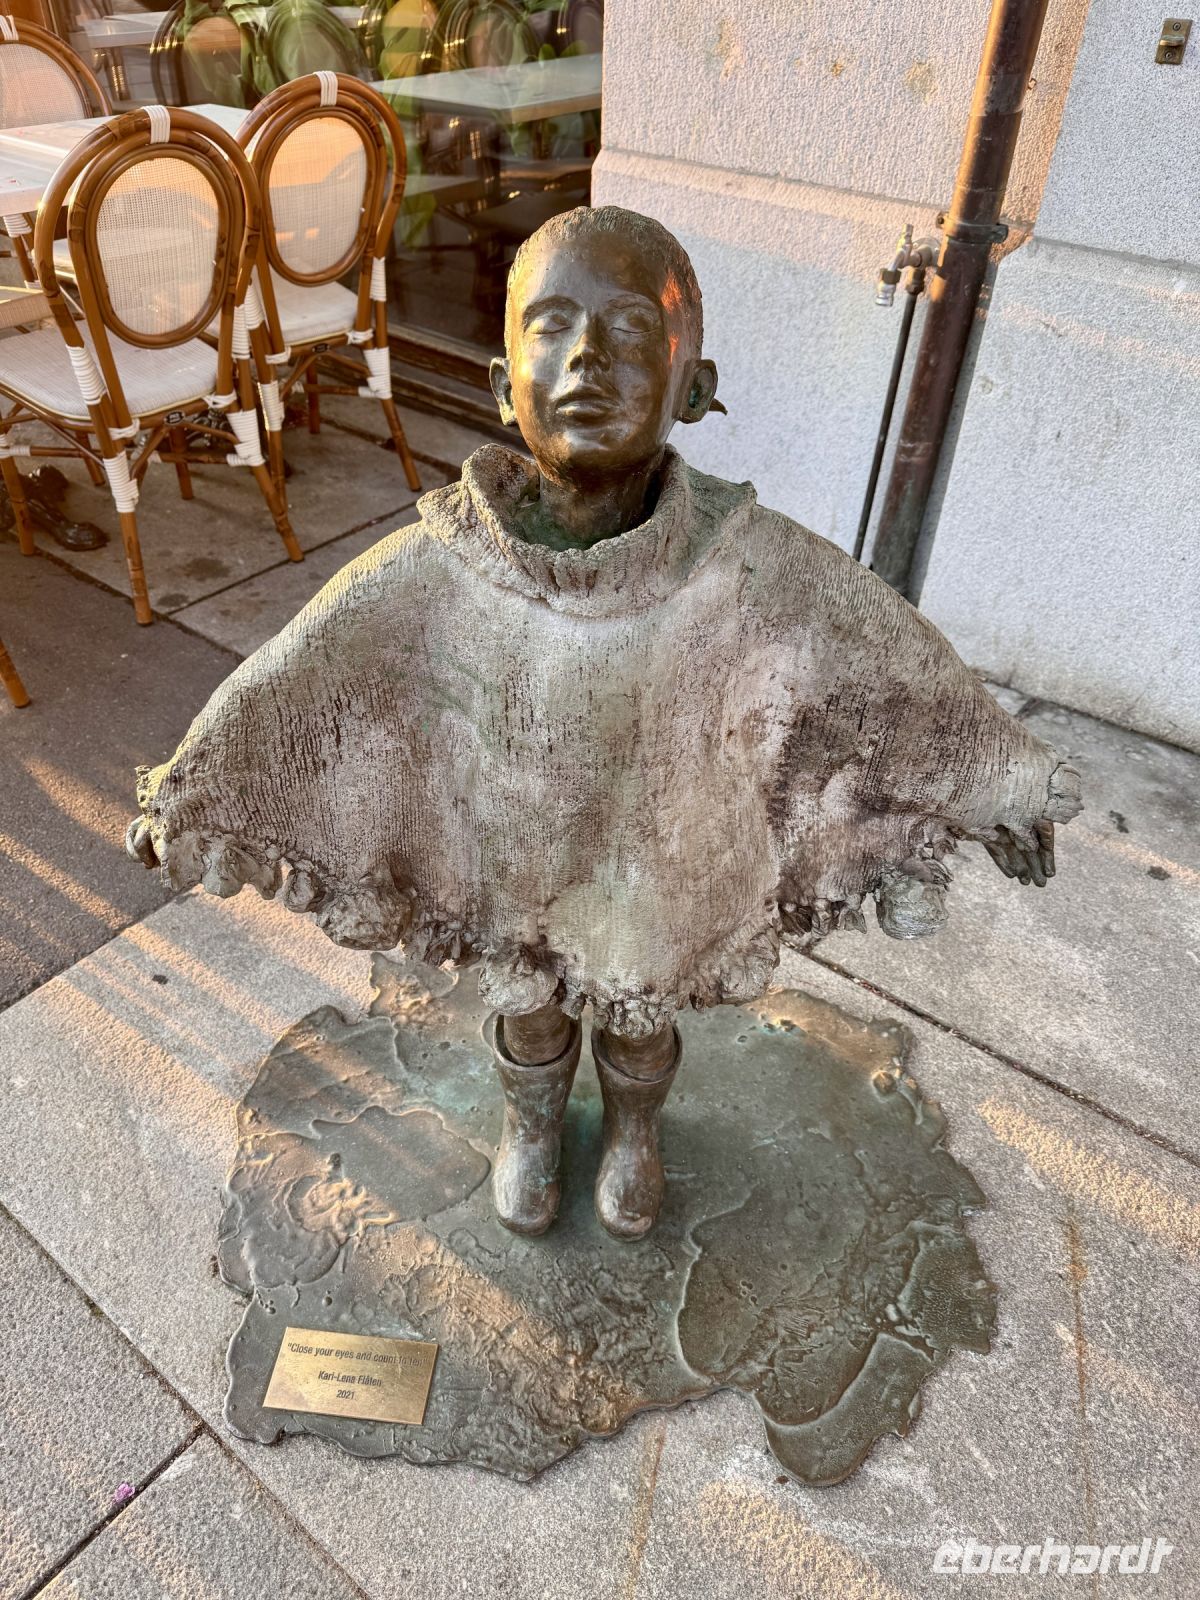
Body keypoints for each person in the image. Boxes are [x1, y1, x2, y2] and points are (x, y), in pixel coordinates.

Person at [127, 205, 1081, 1243]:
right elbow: (307, 671)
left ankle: (635, 1128)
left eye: (631, 330)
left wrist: (1003, 777)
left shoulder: (750, 563)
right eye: (552, 328)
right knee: (528, 999)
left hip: (661, 851)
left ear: (693, 387)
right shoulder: (441, 566)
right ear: (505, 385)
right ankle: (532, 1122)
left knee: (643, 999)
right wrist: (197, 789)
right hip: (508, 843)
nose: (587, 357)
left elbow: (890, 663)